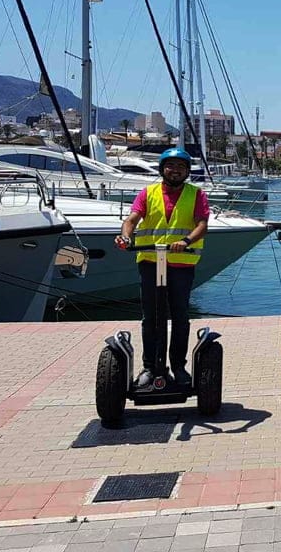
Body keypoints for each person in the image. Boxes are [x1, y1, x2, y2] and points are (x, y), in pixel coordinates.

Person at [115, 147, 209, 388]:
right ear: (162, 169)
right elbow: (131, 220)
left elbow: (201, 224)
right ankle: (150, 368)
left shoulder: (196, 194)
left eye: (180, 167)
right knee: (151, 317)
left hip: (180, 263)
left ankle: (178, 367)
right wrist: (126, 237)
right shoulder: (148, 193)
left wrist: (186, 241)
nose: (175, 170)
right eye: (170, 166)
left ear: (187, 171)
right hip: (151, 262)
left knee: (179, 316)